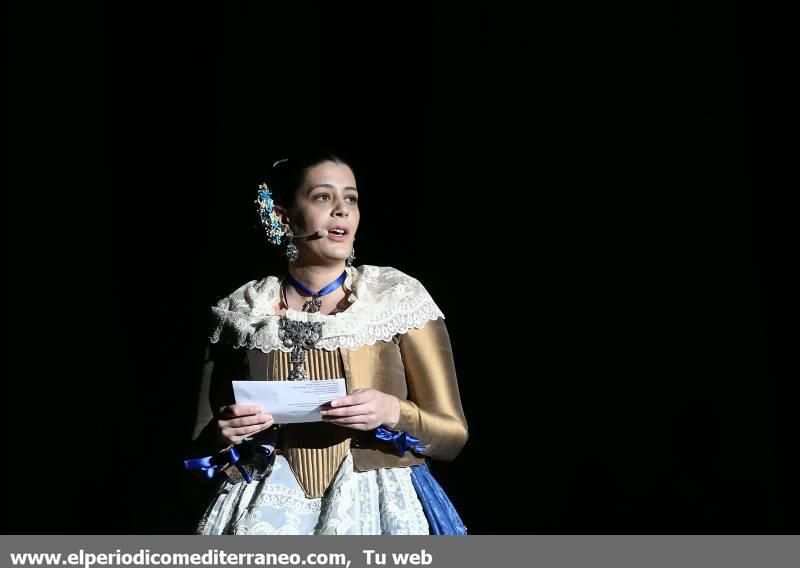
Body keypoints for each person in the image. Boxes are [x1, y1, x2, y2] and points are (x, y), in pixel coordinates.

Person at [186, 150, 468, 535]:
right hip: (265, 502)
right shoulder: (243, 312)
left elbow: (453, 436)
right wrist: (224, 432)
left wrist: (392, 411)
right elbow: (199, 447)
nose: (342, 210)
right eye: (323, 197)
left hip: (375, 498)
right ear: (283, 216)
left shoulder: (396, 298)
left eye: (350, 198)